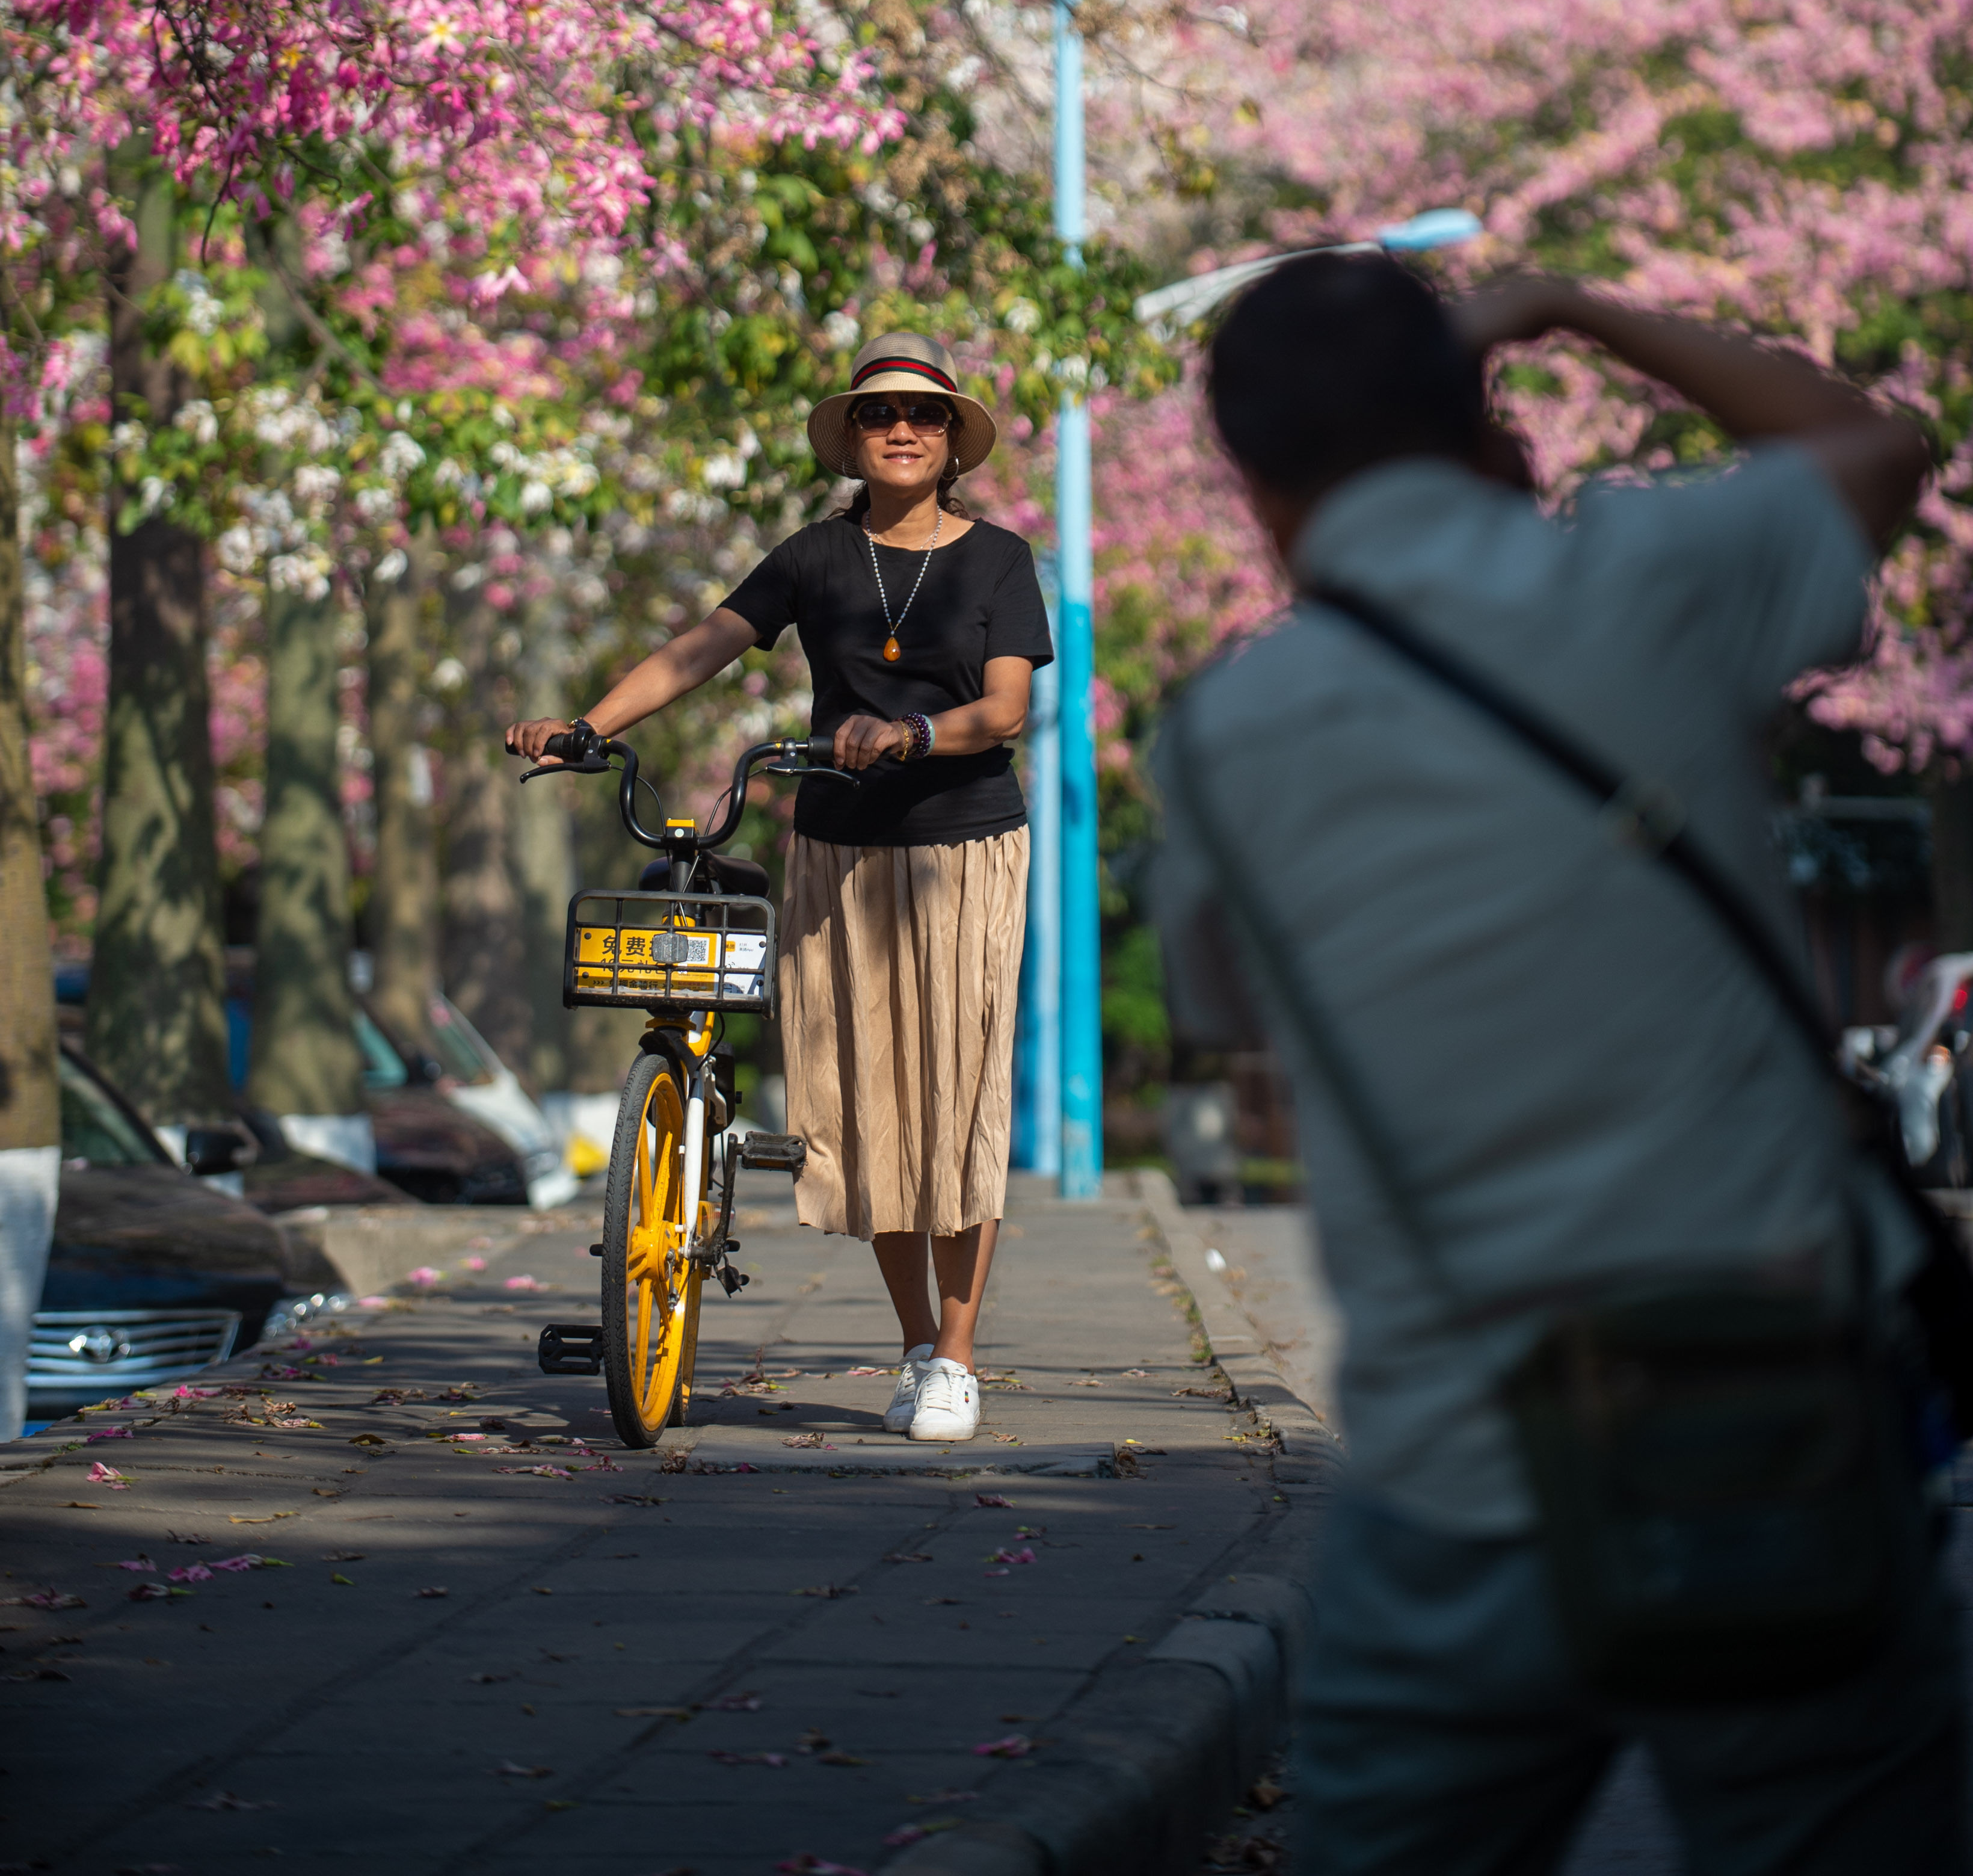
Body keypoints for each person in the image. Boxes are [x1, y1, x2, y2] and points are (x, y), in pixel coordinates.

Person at [1153, 249, 1959, 1875]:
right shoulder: (1654, 577)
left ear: (1251, 483)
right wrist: (1580, 307)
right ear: (1479, 411)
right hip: (1773, 1427)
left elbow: (1232, 1027)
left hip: (1461, 1461)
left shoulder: (1222, 743)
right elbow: (1879, 448)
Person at [507, 330, 1051, 1448]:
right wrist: (585, 729)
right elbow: (703, 646)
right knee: (867, 1107)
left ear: (954, 444)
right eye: (879, 413)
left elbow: (1004, 713)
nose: (903, 428)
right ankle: (913, 1347)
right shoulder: (811, 557)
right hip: (837, 852)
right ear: (852, 439)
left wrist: (908, 733)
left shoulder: (999, 560)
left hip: (963, 850)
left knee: (958, 1107)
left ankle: (957, 1355)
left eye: (927, 415)